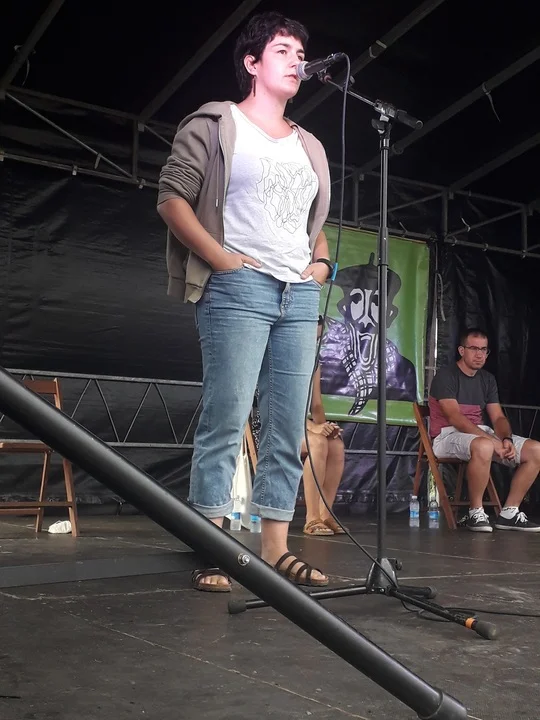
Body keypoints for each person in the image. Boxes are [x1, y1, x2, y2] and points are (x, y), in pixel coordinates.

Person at [157, 12, 333, 591]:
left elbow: (311, 223)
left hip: (298, 292)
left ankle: (276, 549)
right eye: (283, 50)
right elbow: (172, 198)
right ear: (252, 63)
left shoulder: (309, 144)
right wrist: (224, 259)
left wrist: (321, 265)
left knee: (288, 427)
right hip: (238, 286)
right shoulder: (216, 122)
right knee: (227, 419)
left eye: (301, 52)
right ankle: (215, 547)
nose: (297, 60)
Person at [429, 327, 540, 532]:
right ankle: (475, 512)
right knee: (484, 446)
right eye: (474, 348)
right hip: (447, 435)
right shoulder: (446, 376)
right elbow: (455, 418)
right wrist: (492, 441)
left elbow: (498, 417)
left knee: (536, 450)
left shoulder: (487, 379)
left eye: (484, 349)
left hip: (481, 434)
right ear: (461, 350)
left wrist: (505, 439)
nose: (479, 354)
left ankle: (509, 512)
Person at [301, 316, 346, 535]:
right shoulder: (279, 355)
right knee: (317, 444)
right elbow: (279, 407)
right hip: (273, 427)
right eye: (311, 337)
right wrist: (313, 429)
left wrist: (326, 428)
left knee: (335, 444)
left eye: (318, 338)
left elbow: (316, 405)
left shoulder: (313, 360)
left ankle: (326, 514)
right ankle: (312, 518)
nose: (314, 343)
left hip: (302, 426)